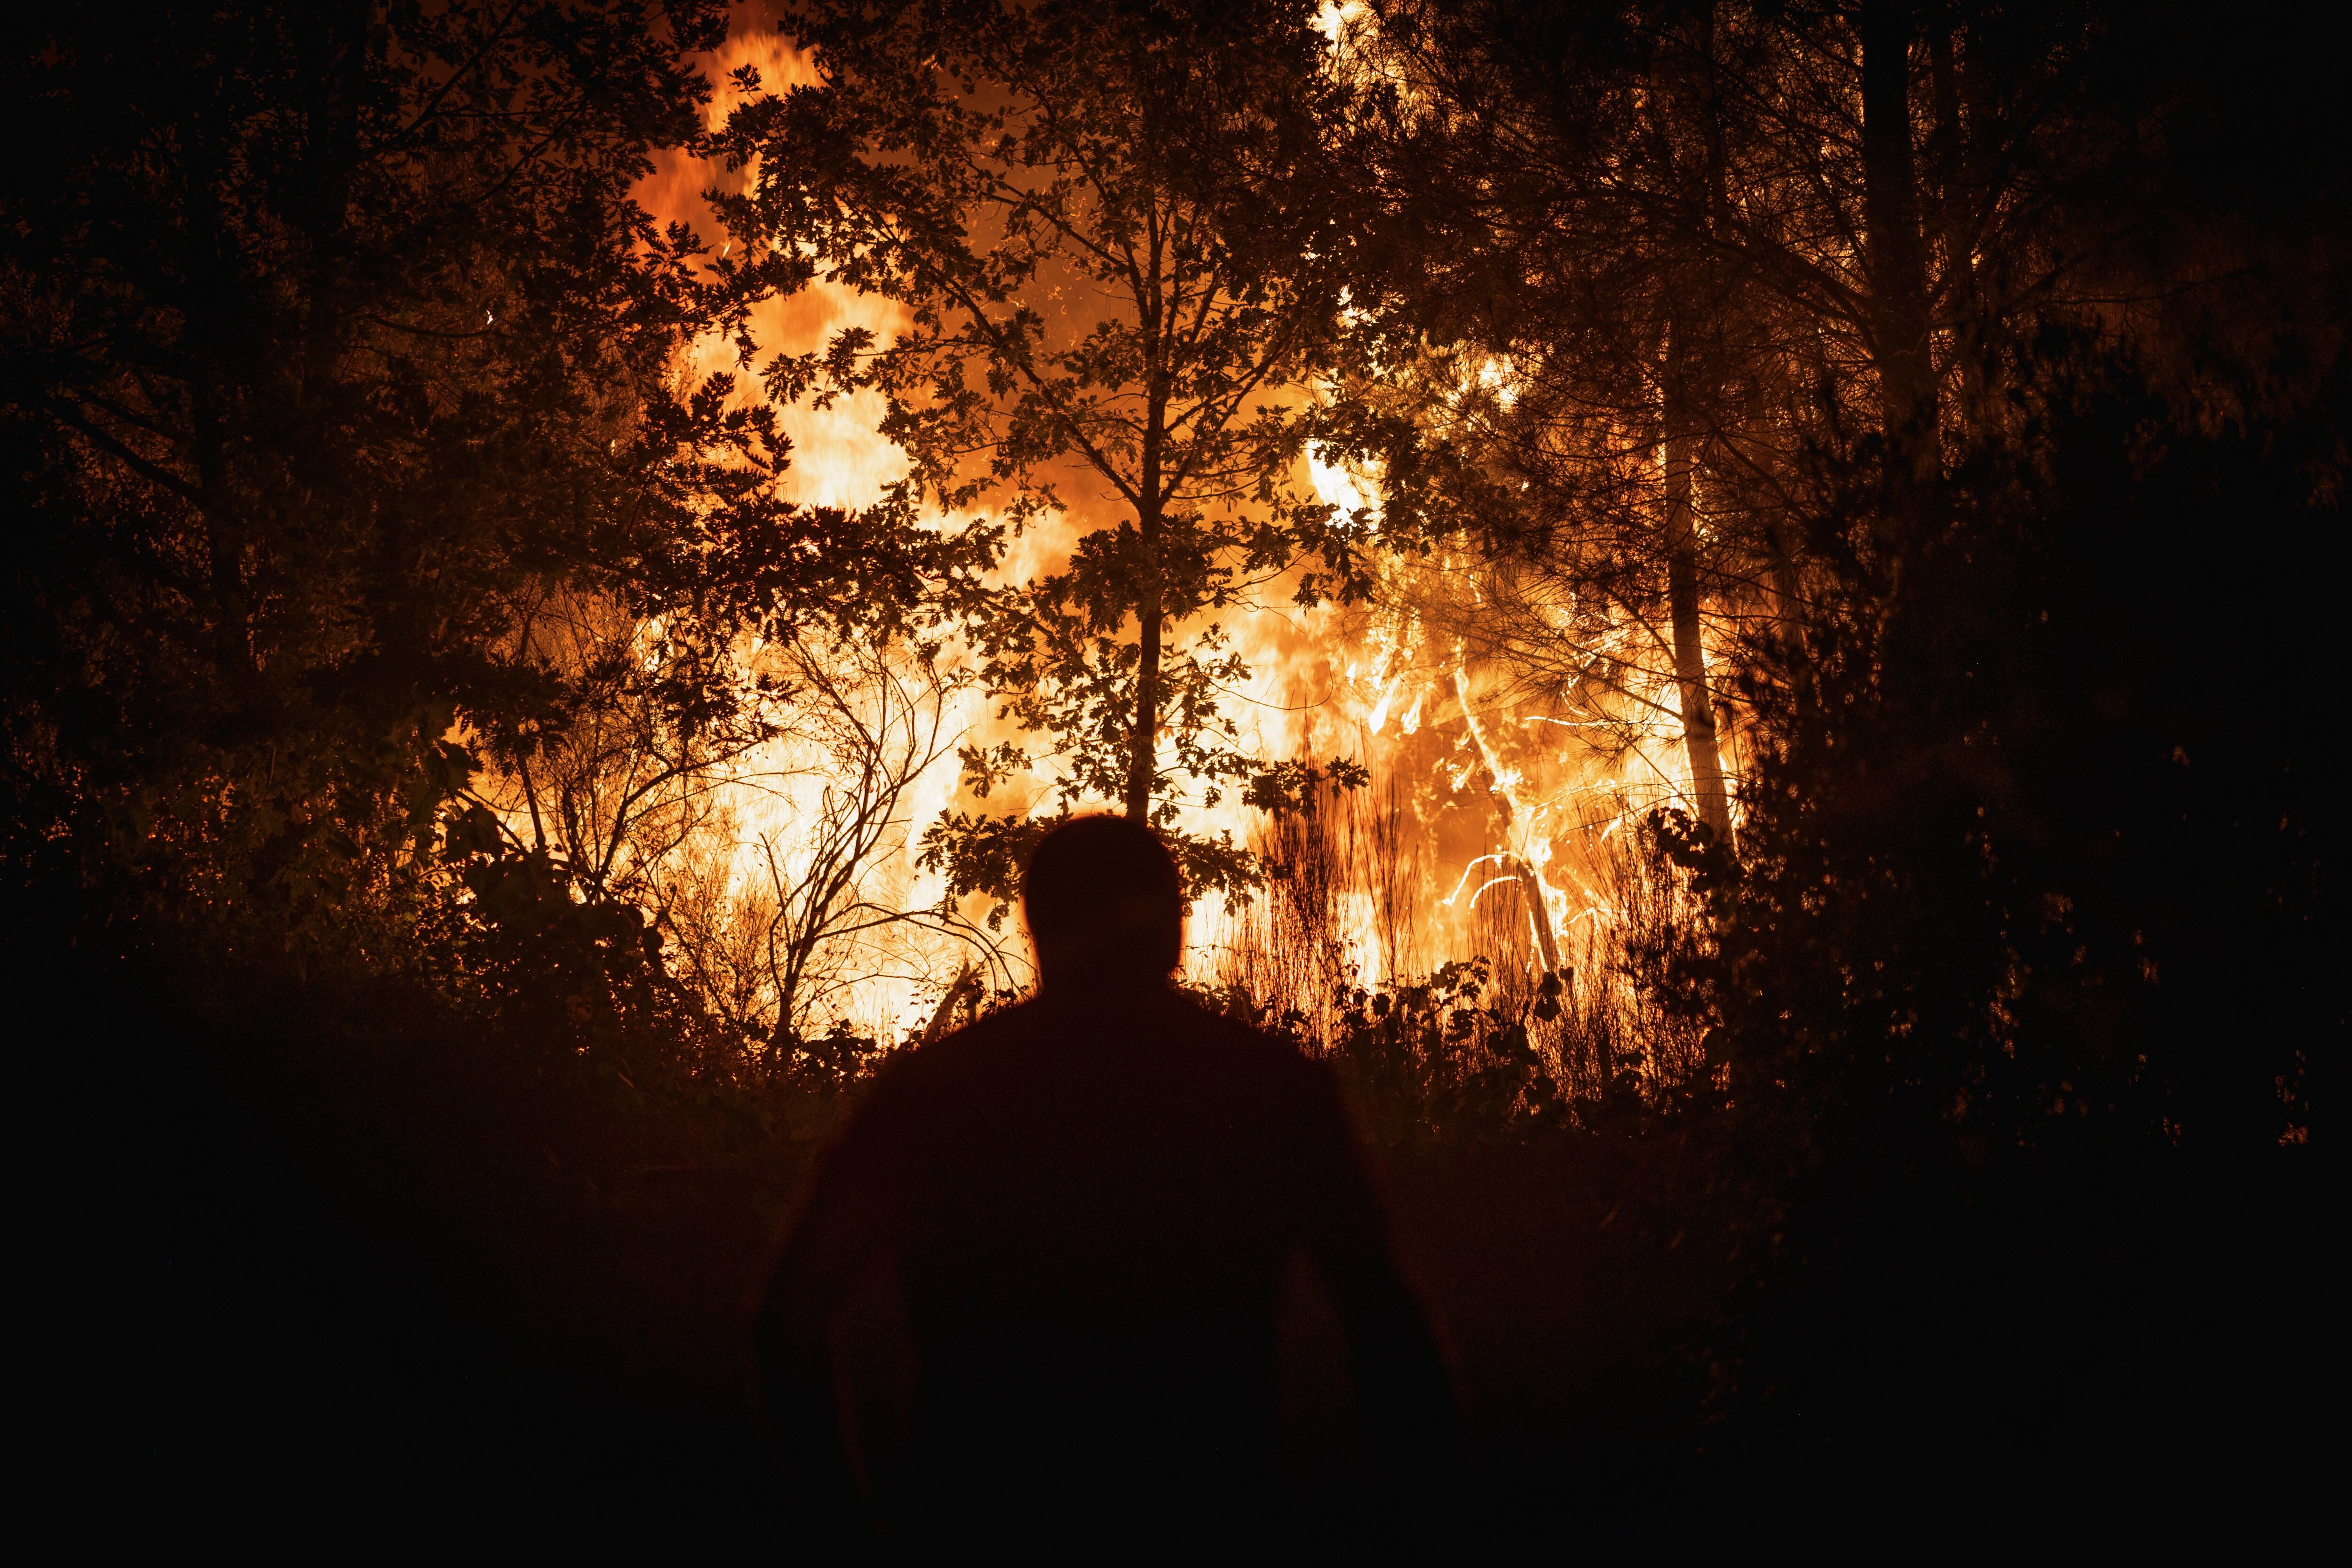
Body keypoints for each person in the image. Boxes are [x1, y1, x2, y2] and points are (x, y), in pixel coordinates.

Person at [755, 815, 1454, 1547]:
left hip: (984, 1515)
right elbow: (1385, 1323)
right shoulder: (1270, 1089)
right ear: (1175, 932)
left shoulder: (937, 1092)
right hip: (1209, 1512)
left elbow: (790, 1316)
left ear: (1037, 932)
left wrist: (841, 1523)